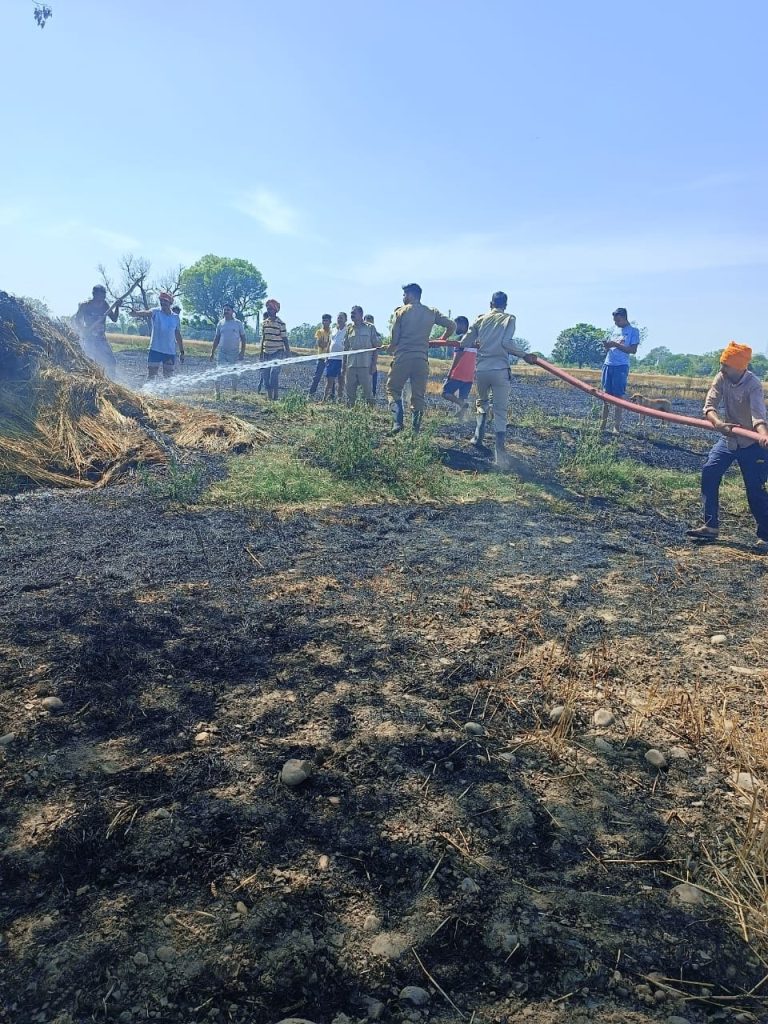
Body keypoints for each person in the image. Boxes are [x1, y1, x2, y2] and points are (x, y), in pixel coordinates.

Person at [686, 342, 768, 553]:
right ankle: (711, 525)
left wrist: (763, 437)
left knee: (755, 488)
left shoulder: (753, 385)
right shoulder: (721, 377)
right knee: (710, 472)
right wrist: (719, 424)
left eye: (726, 365)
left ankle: (765, 536)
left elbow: (758, 417)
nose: (721, 368)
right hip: (729, 437)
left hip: (752, 443)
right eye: (722, 364)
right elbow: (709, 406)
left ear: (740, 367)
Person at [464, 291, 537, 466]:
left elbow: (465, 341)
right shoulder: (509, 318)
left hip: (482, 370)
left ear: (491, 304)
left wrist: (473, 343)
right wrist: (525, 355)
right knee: (500, 410)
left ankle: (477, 437)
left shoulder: (480, 319)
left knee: (481, 402)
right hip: (500, 369)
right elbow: (506, 343)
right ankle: (500, 454)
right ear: (505, 305)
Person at [388, 283, 455, 434]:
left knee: (393, 390)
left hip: (403, 357)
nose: (403, 298)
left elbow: (394, 339)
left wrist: (391, 347)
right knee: (418, 396)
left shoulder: (401, 312)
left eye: (404, 294)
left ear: (411, 295)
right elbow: (452, 325)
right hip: (421, 360)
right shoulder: (431, 312)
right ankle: (415, 431)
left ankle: (397, 424)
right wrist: (441, 339)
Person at [600, 307, 640, 434]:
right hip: (608, 364)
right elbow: (609, 348)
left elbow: (632, 350)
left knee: (618, 397)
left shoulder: (633, 331)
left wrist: (615, 345)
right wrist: (607, 346)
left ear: (624, 318)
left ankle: (616, 427)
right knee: (605, 396)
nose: (615, 323)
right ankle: (603, 425)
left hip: (621, 366)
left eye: (617, 320)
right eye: (614, 320)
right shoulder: (614, 330)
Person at [131, 291, 185, 380]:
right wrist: (136, 313)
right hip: (155, 349)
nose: (163, 303)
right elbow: (147, 312)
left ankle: (166, 393)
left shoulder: (175, 317)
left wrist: (182, 351)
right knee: (152, 375)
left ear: (170, 303)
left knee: (168, 377)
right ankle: (148, 393)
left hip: (169, 351)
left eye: (165, 301)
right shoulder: (156, 312)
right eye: (161, 301)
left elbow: (178, 335)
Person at [429, 315, 472, 420]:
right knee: (463, 397)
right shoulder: (474, 340)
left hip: (459, 373)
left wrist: (450, 372)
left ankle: (462, 405)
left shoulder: (461, 339)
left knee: (445, 393)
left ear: (463, 324)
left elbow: (458, 356)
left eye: (456, 325)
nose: (455, 328)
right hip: (469, 375)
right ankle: (461, 419)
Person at [73, 284, 121, 377]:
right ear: (94, 295)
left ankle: (112, 380)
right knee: (90, 360)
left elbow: (114, 319)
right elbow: (77, 319)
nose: (102, 298)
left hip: (101, 338)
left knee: (111, 361)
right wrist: (83, 329)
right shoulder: (85, 306)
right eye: (101, 296)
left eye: (104, 296)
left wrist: (117, 307)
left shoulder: (105, 305)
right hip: (89, 338)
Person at [210, 303, 247, 399]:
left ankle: (234, 394)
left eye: (228, 309)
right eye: (224, 310)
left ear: (232, 311)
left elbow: (243, 338)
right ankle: (217, 394)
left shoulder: (238, 323)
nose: (226, 311)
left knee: (234, 374)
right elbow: (216, 338)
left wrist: (242, 352)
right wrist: (212, 352)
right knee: (218, 373)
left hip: (233, 352)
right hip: (222, 352)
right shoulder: (220, 323)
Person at [344, 306, 380, 405]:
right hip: (351, 365)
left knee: (368, 392)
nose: (352, 315)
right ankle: (350, 413)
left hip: (365, 365)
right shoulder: (349, 329)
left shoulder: (370, 328)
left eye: (354, 313)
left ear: (361, 314)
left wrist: (374, 364)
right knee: (350, 393)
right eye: (351, 313)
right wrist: (344, 366)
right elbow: (345, 349)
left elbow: (376, 347)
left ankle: (371, 413)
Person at [260, 298, 290, 400]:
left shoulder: (281, 323)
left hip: (277, 352)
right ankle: (269, 397)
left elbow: (285, 338)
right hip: (266, 352)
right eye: (268, 309)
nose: (269, 311)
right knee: (266, 375)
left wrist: (288, 352)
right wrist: (261, 353)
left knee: (274, 374)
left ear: (276, 310)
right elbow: (263, 338)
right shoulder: (264, 323)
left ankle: (276, 396)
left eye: (272, 309)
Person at [324, 312, 348, 402]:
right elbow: (329, 344)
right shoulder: (333, 330)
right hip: (331, 359)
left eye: (341, 318)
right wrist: (326, 357)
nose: (339, 319)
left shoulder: (347, 330)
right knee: (329, 381)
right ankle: (324, 399)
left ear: (346, 319)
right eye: (338, 318)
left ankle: (339, 400)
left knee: (341, 381)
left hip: (341, 359)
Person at [309, 314, 332, 397]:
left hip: (330, 358)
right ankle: (311, 394)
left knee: (330, 378)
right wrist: (327, 344)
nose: (325, 322)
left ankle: (331, 396)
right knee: (317, 377)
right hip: (321, 358)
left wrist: (326, 343)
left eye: (327, 320)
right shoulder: (319, 332)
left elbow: (327, 344)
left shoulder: (332, 332)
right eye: (324, 320)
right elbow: (320, 344)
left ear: (330, 322)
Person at [364, 314, 381, 396]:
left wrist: (374, 364)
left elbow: (376, 348)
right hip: (361, 362)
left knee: (372, 384)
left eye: (370, 320)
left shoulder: (376, 335)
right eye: (367, 320)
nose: (369, 322)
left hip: (371, 361)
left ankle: (372, 400)